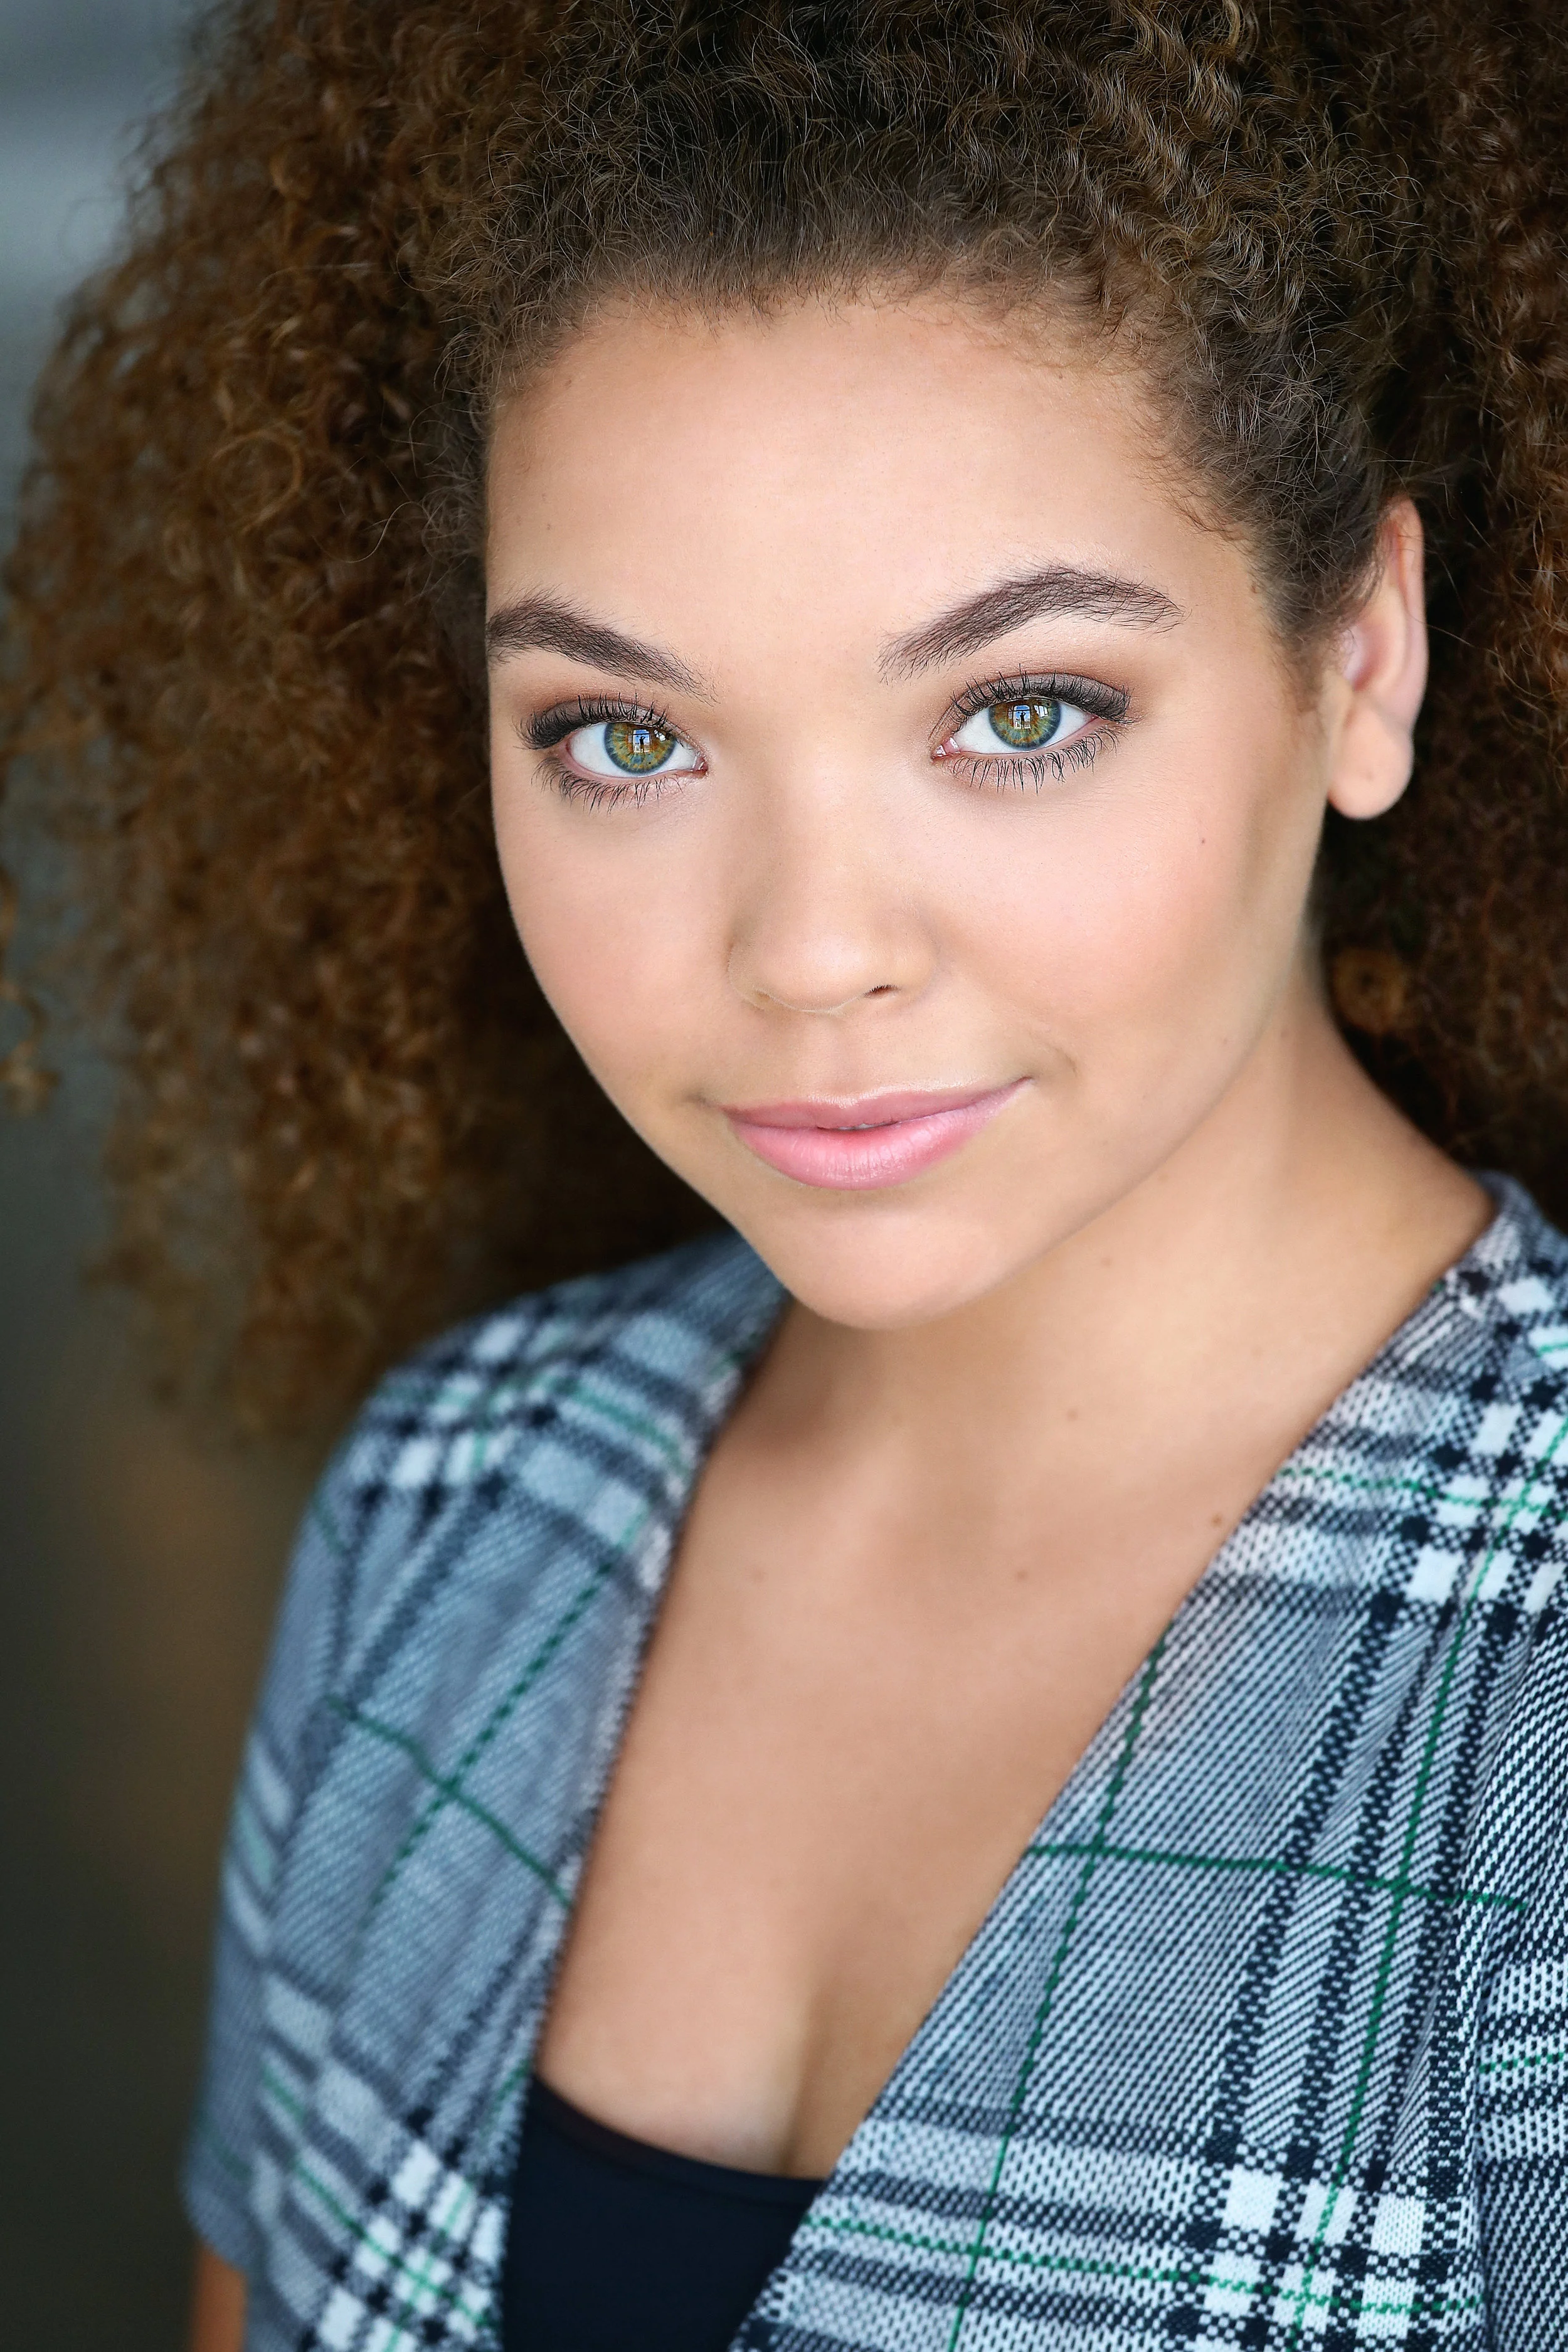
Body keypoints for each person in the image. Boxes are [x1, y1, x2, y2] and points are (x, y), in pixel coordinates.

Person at [5, 1, 1568, 2346]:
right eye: (623, 735)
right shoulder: (454, 1503)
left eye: (1021, 711)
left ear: (1361, 654)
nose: (807, 952)